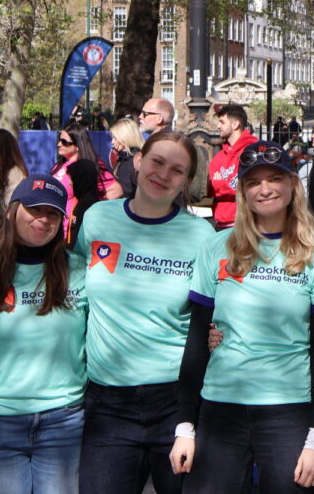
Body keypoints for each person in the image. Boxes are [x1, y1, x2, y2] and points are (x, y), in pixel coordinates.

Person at [170, 140, 314, 493]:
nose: (265, 189)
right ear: (243, 192)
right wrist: (185, 426)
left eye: (274, 178)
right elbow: (197, 339)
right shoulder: (217, 247)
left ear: (292, 184)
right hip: (221, 408)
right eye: (253, 182)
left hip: (289, 410)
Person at [74, 130, 215, 494]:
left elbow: (213, 310)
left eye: (177, 170)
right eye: (157, 162)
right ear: (138, 161)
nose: (163, 174)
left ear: (186, 181)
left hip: (176, 401)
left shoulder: (201, 236)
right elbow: (73, 289)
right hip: (107, 402)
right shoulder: (97, 219)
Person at [0, 174, 87, 494]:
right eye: (34, 209)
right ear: (11, 212)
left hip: (63, 423)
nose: (43, 219)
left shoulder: (79, 270)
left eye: (52, 213)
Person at [50, 123, 124, 216]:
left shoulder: (88, 167)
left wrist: (92, 208)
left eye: (64, 142)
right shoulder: (58, 165)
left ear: (78, 145)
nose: (59, 144)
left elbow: (116, 190)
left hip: (74, 221)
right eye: (59, 140)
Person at [208, 105, 258, 231]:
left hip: (245, 225)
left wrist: (219, 184)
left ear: (235, 124)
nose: (218, 126)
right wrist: (229, 185)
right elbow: (209, 190)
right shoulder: (219, 157)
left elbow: (246, 189)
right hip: (220, 224)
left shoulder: (252, 152)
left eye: (222, 122)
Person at [0, 129, 30, 241]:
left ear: (4, 151)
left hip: (3, 229)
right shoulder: (3, 170)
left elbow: (9, 209)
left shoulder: (14, 173)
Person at [66, 159, 103, 247]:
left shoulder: (91, 205)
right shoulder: (80, 200)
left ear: (80, 179)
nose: (69, 182)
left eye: (72, 179)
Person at [109, 118, 145, 198]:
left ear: (125, 137)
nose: (112, 142)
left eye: (115, 138)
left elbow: (126, 191)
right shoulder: (123, 158)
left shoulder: (136, 160)